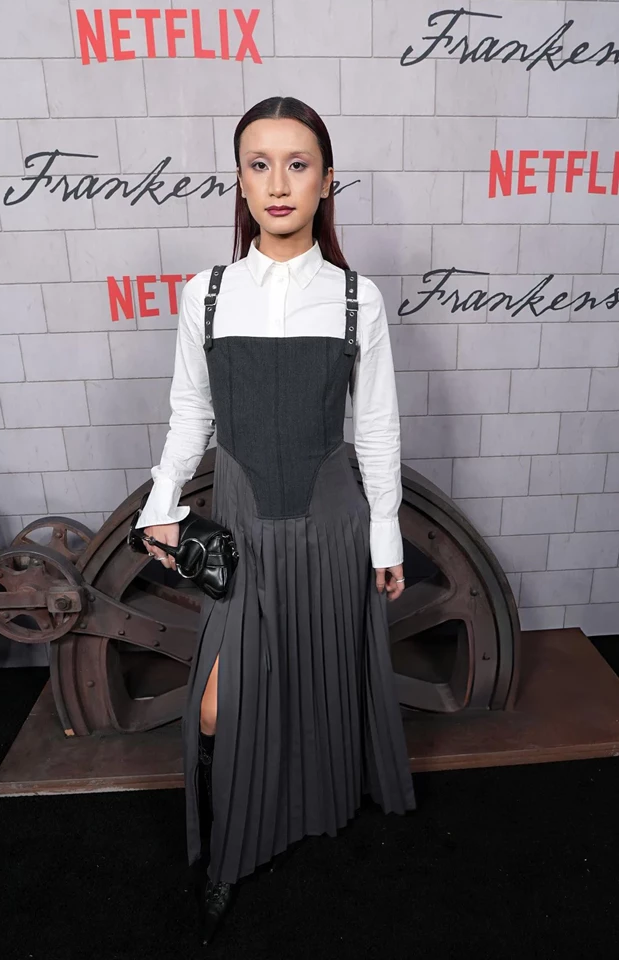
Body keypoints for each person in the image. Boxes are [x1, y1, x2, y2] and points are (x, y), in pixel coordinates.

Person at [134, 95, 416, 944]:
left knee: (318, 680)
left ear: (326, 182)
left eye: (298, 164)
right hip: (243, 525)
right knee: (216, 708)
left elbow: (376, 426)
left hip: (332, 526)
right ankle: (232, 843)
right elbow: (191, 413)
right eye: (260, 165)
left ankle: (311, 811)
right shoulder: (206, 295)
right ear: (240, 182)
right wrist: (160, 504)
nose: (279, 183)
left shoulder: (357, 299)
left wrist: (385, 534)